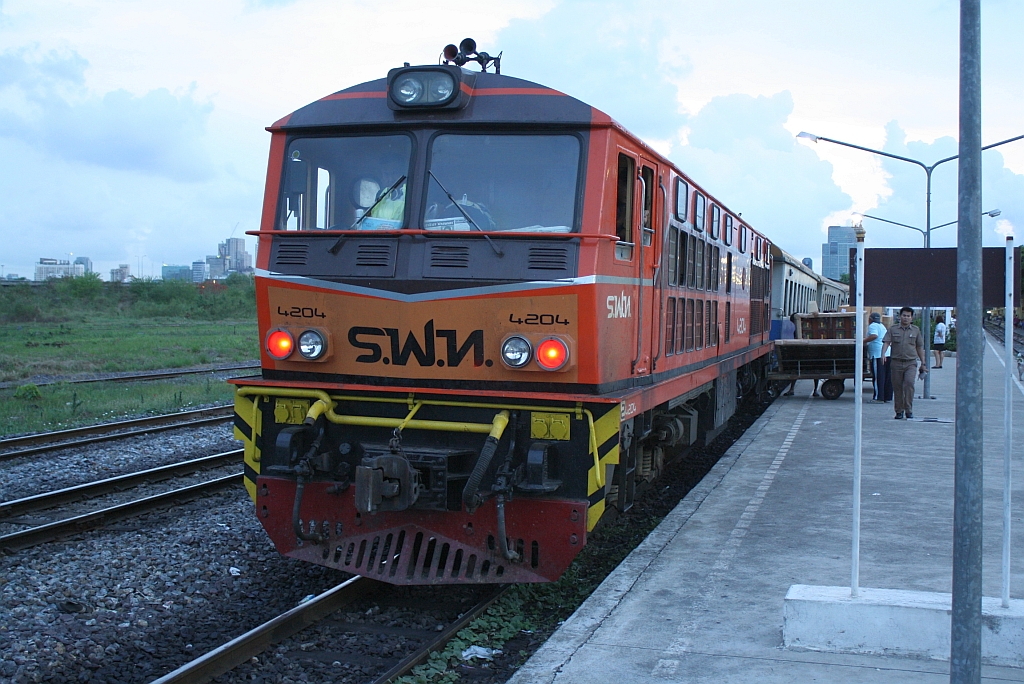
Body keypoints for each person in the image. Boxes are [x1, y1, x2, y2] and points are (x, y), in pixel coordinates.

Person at [881, 306, 928, 419]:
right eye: (904, 315)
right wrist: (883, 354)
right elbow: (887, 342)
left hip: (910, 363)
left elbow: (919, 347)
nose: (906, 318)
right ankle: (899, 411)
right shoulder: (893, 329)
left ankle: (908, 409)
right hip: (896, 362)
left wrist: (923, 362)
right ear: (900, 316)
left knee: (909, 384)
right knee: (897, 387)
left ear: (912, 318)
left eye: (908, 316)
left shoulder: (916, 330)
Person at [865, 312, 887, 402]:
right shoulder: (882, 326)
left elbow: (874, 335)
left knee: (878, 376)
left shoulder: (872, 326)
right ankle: (886, 396)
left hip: (877, 354)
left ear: (870, 319)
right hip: (885, 353)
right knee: (885, 376)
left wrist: (863, 341)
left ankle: (878, 397)